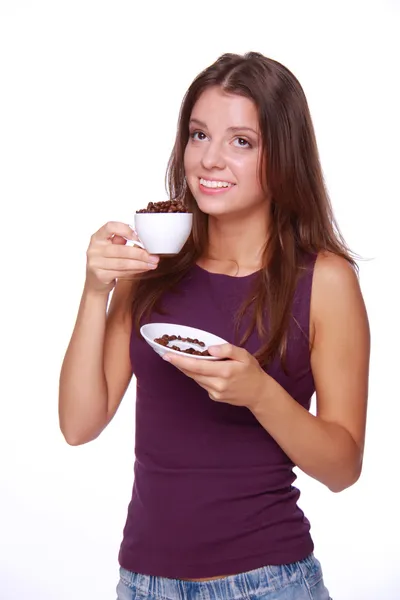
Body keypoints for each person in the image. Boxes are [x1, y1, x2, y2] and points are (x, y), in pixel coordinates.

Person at [59, 52, 370, 600]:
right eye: (199, 135)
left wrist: (258, 393)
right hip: (144, 584)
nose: (209, 159)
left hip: (269, 584)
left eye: (241, 141)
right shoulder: (152, 267)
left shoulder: (324, 280)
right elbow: (79, 425)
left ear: (283, 155)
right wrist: (93, 291)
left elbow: (344, 468)